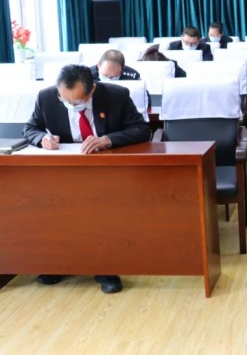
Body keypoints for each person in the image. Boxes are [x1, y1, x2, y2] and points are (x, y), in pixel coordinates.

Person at [22, 64, 152, 294]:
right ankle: (60, 263)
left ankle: (104, 268)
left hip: (106, 169)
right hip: (64, 170)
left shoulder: (116, 95)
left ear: (92, 90)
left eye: (77, 102)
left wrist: (108, 140)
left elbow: (142, 130)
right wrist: (42, 138)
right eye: (65, 100)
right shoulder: (47, 97)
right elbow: (30, 128)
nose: (71, 106)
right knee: (49, 205)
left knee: (99, 208)